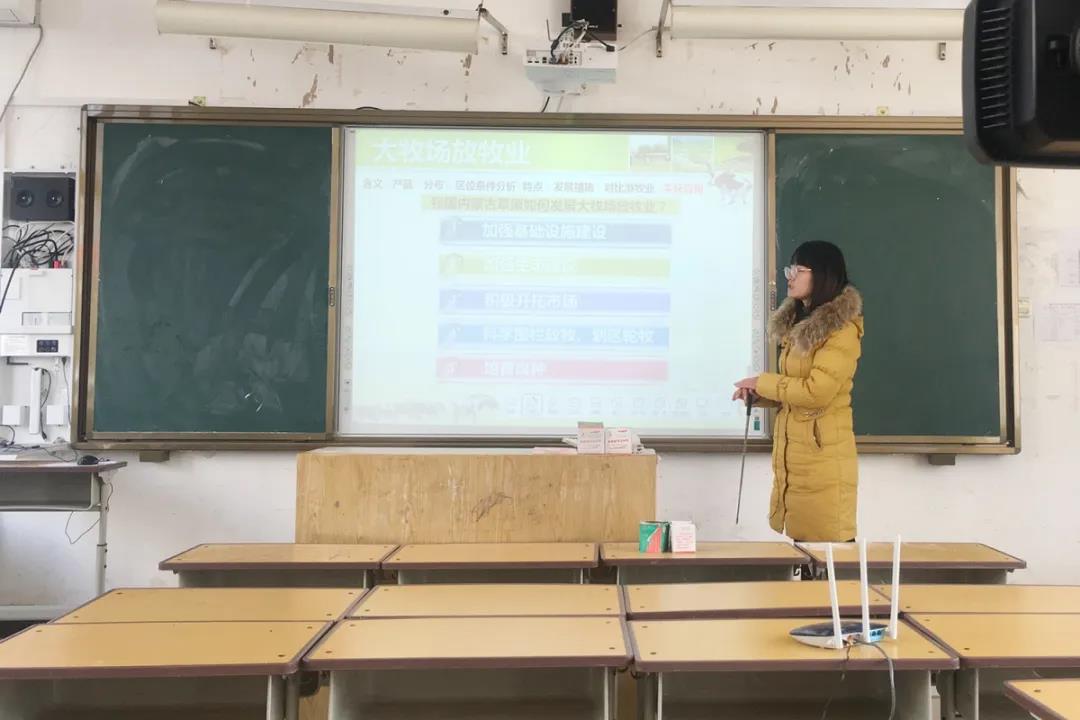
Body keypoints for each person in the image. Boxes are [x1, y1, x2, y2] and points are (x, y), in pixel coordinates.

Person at [733, 241, 863, 542]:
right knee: (804, 551)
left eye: (798, 270)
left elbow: (817, 392)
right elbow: (795, 388)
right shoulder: (802, 323)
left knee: (827, 555)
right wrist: (759, 394)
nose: (789, 277)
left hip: (824, 462)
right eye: (789, 269)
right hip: (800, 459)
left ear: (822, 275)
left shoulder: (841, 330)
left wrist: (763, 382)